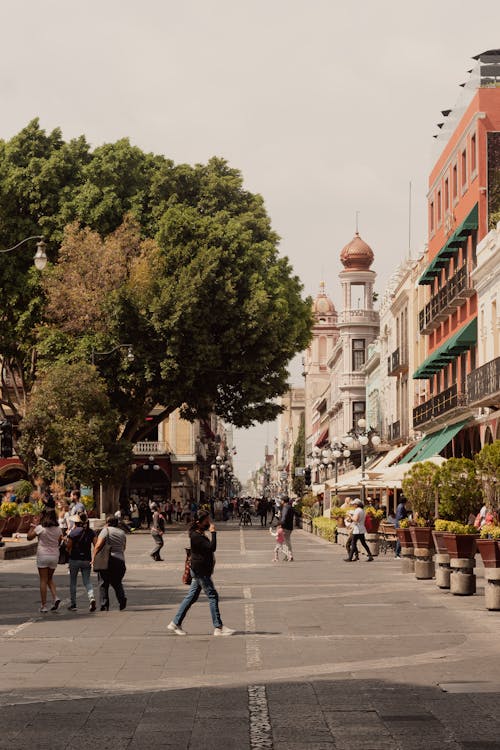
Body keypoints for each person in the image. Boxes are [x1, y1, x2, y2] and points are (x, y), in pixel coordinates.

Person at [168, 511, 235, 636]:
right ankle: (218, 627)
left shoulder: (198, 533)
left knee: (191, 597)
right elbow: (212, 547)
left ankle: (175, 623)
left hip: (199, 570)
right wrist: (214, 532)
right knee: (212, 596)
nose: (209, 523)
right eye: (207, 521)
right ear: (199, 522)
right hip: (200, 571)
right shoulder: (196, 536)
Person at [27, 508, 62, 613]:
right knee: (49, 578)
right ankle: (55, 597)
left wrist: (33, 526)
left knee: (43, 580)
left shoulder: (40, 528)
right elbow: (59, 542)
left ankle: (43, 605)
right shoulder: (58, 529)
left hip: (43, 555)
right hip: (54, 556)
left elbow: (29, 537)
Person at [92, 516, 127, 611]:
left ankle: (104, 604)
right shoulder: (122, 532)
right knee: (117, 583)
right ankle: (122, 600)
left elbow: (98, 546)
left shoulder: (105, 530)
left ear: (107, 523)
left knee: (103, 582)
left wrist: (93, 558)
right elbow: (124, 547)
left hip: (107, 560)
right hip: (120, 560)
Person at [66, 513, 96, 612]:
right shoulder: (91, 532)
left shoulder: (73, 532)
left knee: (73, 582)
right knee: (87, 581)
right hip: (86, 559)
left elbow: (68, 546)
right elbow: (96, 545)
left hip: (74, 559)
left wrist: (69, 552)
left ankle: (73, 604)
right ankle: (91, 597)